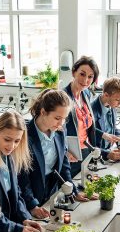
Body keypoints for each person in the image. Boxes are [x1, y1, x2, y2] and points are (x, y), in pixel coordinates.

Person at [19, 89, 93, 220]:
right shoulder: (24, 136)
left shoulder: (59, 131)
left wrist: (72, 190)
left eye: (64, 119)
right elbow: (22, 178)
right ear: (43, 112)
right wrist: (32, 205)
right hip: (31, 195)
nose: (61, 123)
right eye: (57, 118)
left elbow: (64, 164)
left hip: (52, 192)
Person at [63, 56, 99, 176]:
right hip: (70, 154)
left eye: (90, 77)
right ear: (74, 72)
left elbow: (89, 127)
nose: (86, 80)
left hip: (85, 150)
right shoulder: (63, 97)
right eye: (82, 74)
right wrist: (64, 152)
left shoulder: (87, 94)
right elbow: (53, 130)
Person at [91, 77, 120, 161]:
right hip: (98, 158)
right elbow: (89, 143)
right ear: (106, 95)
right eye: (117, 100)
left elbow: (112, 126)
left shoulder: (112, 105)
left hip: (110, 151)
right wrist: (106, 154)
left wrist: (119, 137)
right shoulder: (91, 111)